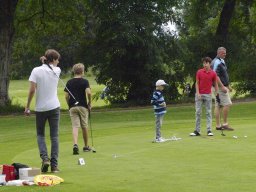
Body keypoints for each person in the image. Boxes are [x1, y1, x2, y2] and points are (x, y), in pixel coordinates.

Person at [24, 49, 61, 173]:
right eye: (57, 59)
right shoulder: (57, 71)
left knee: (40, 135)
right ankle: (54, 166)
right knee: (54, 136)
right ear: (53, 60)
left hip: (40, 108)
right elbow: (49, 67)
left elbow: (32, 90)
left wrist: (27, 106)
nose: (58, 62)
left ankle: (45, 159)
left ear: (45, 59)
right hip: (54, 107)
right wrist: (44, 62)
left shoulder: (36, 70)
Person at [64, 63, 92, 155]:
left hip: (72, 107)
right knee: (84, 126)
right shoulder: (85, 81)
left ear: (74, 72)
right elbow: (88, 93)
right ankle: (86, 146)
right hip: (83, 106)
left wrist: (69, 105)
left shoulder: (69, 82)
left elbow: (66, 95)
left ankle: (75, 144)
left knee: (75, 126)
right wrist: (89, 103)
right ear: (82, 72)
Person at [190, 57, 218, 136]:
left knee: (208, 112)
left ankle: (209, 130)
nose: (205, 65)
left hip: (208, 95)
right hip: (199, 95)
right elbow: (197, 83)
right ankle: (197, 131)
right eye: (204, 63)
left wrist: (216, 93)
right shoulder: (199, 72)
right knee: (198, 112)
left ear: (210, 64)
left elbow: (215, 84)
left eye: (206, 63)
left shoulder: (213, 73)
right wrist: (198, 93)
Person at [211, 47, 234, 131]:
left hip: (221, 86)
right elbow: (215, 75)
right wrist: (222, 86)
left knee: (218, 105)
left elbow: (224, 75)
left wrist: (228, 85)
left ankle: (218, 126)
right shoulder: (216, 62)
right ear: (219, 53)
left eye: (225, 53)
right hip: (218, 87)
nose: (225, 54)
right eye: (223, 53)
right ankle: (225, 124)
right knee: (227, 104)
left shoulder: (222, 61)